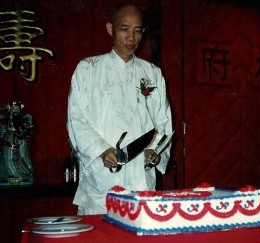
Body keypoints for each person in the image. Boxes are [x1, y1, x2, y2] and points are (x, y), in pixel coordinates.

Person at [67, 3, 172, 215]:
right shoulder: (88, 70)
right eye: (124, 29)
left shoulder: (152, 74)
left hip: (141, 180)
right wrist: (101, 150)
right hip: (101, 181)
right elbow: (76, 119)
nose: (131, 37)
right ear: (110, 29)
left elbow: (163, 122)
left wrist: (157, 152)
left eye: (138, 30)